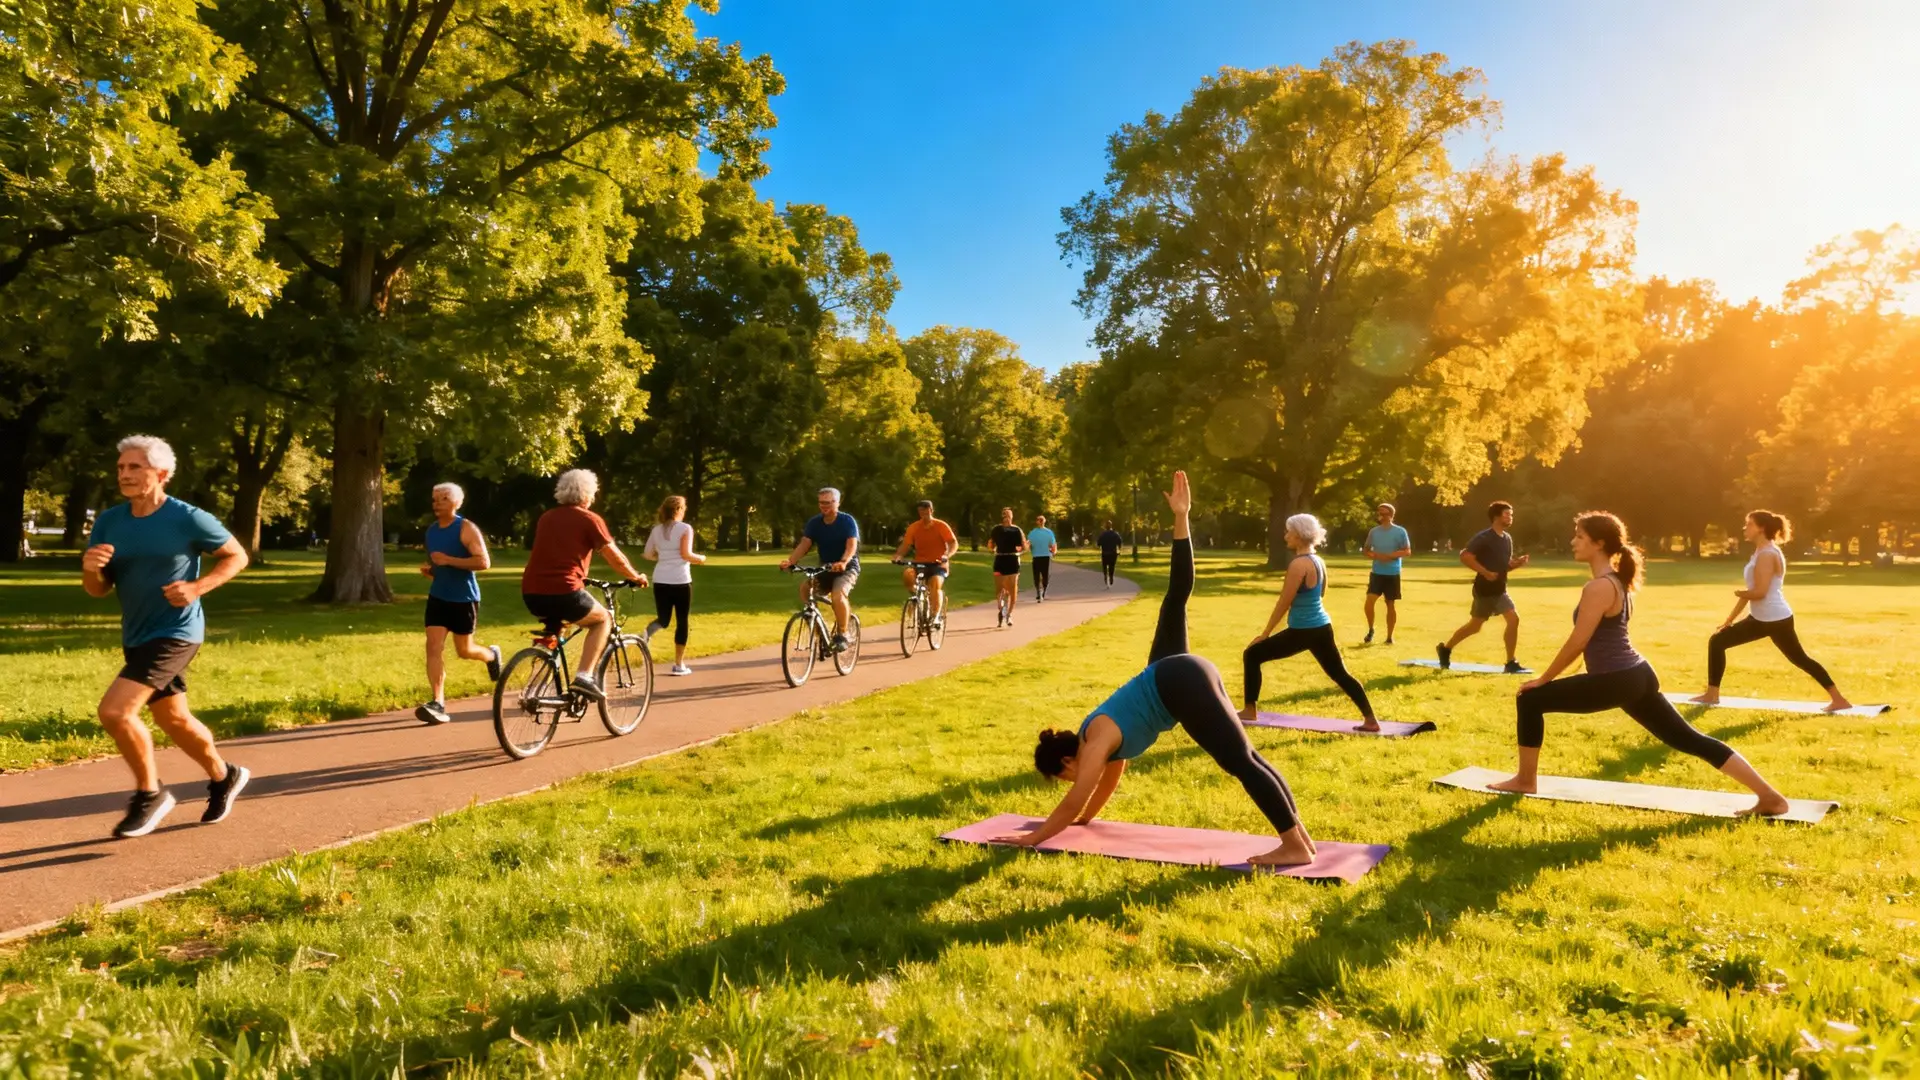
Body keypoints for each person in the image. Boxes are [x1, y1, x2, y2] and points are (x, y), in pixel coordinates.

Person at [1009, 472, 1317, 866]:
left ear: (1067, 762)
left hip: (1177, 682)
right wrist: (1087, 820)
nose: (1070, 781)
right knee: (1246, 757)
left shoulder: (1096, 740)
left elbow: (1075, 799)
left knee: (1240, 760)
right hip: (1177, 673)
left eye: (1062, 776)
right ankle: (1300, 838)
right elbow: (1099, 791)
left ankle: (1293, 845)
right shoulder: (1103, 744)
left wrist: (1033, 838)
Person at [1485, 512, 1791, 816]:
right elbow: (1596, 641)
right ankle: (1770, 796)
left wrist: (1543, 678)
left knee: (1530, 698)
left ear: (1599, 543)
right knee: (1687, 739)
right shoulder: (1616, 581)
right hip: (1637, 675)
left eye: (1579, 536)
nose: (1572, 541)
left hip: (1617, 679)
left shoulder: (1599, 587)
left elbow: (1578, 641)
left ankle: (1525, 780)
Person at [82, 435, 252, 839]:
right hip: (138, 632)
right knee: (173, 718)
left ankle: (149, 795)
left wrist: (197, 587)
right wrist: (91, 568)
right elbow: (98, 589)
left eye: (134, 467)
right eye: (121, 467)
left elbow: (237, 556)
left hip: (177, 631)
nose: (124, 474)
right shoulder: (110, 521)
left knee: (115, 712)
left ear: (161, 473)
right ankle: (224, 775)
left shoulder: (187, 517)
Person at [1690, 511, 1853, 712]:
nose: (1745, 528)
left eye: (1749, 524)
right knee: (1799, 659)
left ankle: (1712, 695)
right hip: (1769, 616)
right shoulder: (1762, 551)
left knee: (1718, 642)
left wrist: (1739, 593)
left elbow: (1758, 592)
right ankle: (1838, 699)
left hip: (1771, 618)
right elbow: (1752, 591)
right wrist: (1729, 620)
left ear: (1760, 528)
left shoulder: (1767, 554)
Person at [1241, 514, 1381, 731]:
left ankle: (1250, 710)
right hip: (1321, 628)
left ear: (1299, 535)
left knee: (1252, 654)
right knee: (1340, 674)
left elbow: (1284, 602)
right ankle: (1371, 720)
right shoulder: (1318, 561)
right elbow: (1321, 592)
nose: (1286, 536)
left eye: (1289, 532)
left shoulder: (1298, 564)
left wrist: (1265, 633)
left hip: (1303, 631)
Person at [521, 469, 649, 701]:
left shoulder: (547, 517)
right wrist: (635, 576)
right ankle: (584, 677)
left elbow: (558, 550)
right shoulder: (589, 519)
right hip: (564, 589)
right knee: (603, 620)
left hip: (532, 592)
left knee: (557, 629)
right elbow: (614, 557)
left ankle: (537, 687)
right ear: (588, 494)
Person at [416, 483, 502, 724]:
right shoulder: (432, 531)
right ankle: (438, 702)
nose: (437, 503)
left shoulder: (465, 528)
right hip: (438, 597)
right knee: (433, 647)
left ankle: (492, 656)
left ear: (456, 503)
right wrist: (431, 571)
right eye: (434, 499)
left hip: (464, 599)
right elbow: (438, 564)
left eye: (443, 498)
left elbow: (483, 562)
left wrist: (448, 560)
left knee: (464, 651)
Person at [1438, 501, 1531, 673]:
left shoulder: (1507, 539)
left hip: (1500, 589)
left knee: (1513, 619)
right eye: (1507, 514)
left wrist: (1517, 564)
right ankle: (1446, 648)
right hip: (1484, 589)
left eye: (1511, 514)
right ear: (1496, 516)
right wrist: (1485, 572)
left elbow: (1504, 565)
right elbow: (1465, 556)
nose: (1511, 517)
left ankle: (1511, 661)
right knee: (1475, 626)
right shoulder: (1484, 537)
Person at [781, 486, 860, 653]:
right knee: (805, 588)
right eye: (821, 503)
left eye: (828, 503)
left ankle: (843, 634)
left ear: (837, 503)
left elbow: (851, 545)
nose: (824, 506)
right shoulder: (814, 523)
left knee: (838, 595)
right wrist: (790, 561)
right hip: (825, 568)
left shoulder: (847, 521)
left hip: (847, 568)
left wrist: (844, 561)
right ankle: (817, 628)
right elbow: (805, 544)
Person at [643, 495, 706, 676]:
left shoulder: (656, 530)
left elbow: (647, 554)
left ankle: (646, 634)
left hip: (660, 579)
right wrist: (701, 559)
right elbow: (686, 555)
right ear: (678, 509)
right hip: (680, 580)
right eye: (683, 508)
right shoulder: (685, 528)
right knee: (682, 621)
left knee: (663, 619)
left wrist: (663, 557)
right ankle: (679, 665)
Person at [893, 499, 958, 628]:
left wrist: (947, 556)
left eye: (926, 510)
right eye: (920, 511)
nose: (923, 513)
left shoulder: (941, 526)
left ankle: (935, 616)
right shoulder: (914, 527)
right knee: (907, 575)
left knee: (935, 584)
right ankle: (916, 597)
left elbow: (953, 543)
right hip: (920, 563)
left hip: (938, 564)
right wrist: (898, 555)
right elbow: (906, 544)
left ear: (931, 510)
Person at [1361, 503, 1411, 645]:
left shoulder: (1400, 531)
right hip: (1377, 572)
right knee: (1369, 601)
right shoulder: (1374, 532)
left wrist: (1389, 556)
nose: (1381, 517)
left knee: (1390, 604)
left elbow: (1407, 551)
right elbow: (1366, 550)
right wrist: (1374, 555)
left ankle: (1389, 637)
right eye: (1379, 514)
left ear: (1391, 515)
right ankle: (1371, 630)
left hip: (1392, 573)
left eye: (1384, 514)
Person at [988, 508, 1027, 626]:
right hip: (1000, 559)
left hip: (1013, 560)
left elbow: (1023, 546)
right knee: (999, 588)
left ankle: (1009, 614)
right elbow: (991, 544)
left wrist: (1023, 548)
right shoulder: (996, 529)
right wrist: (991, 547)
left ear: (1012, 516)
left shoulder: (1016, 530)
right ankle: (1001, 608)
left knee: (1012, 588)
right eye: (1004, 515)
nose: (1006, 517)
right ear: (1001, 516)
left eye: (1008, 515)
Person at [1028, 514, 1059, 602]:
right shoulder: (1047, 532)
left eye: (1040, 520)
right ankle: (1041, 592)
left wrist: (1053, 551)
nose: (1040, 522)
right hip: (1043, 556)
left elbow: (1029, 544)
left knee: (1039, 575)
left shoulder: (1033, 532)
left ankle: (1040, 592)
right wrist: (1054, 551)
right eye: (1039, 520)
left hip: (1040, 556)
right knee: (1044, 575)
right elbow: (1053, 545)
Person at [1097, 519, 1123, 589]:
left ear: (1105, 527)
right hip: (1113, 553)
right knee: (1112, 566)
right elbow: (1119, 542)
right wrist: (1119, 550)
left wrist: (1100, 546)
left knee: (1104, 565)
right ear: (1111, 526)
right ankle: (1111, 576)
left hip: (1105, 553)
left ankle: (1105, 575)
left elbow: (1098, 543)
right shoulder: (1115, 534)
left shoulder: (1102, 534)